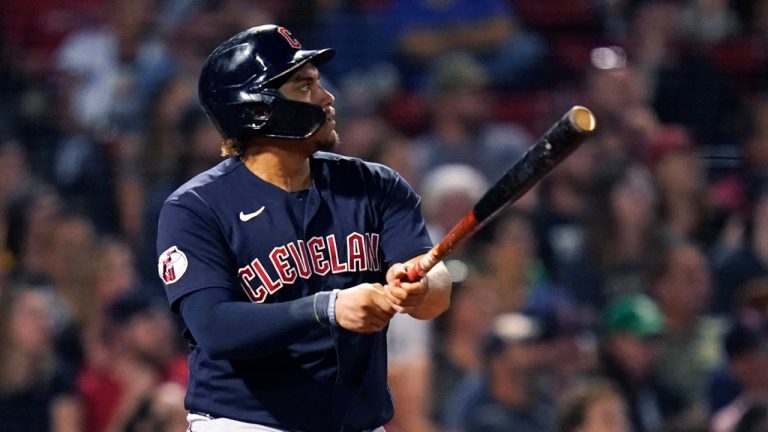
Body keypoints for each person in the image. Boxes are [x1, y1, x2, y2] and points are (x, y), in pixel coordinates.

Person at [155, 24, 452, 431]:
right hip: (246, 422)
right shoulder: (195, 207)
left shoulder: (376, 185)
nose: (327, 98)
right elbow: (213, 327)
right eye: (304, 86)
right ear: (256, 108)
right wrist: (328, 308)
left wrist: (423, 288)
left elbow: (432, 281)